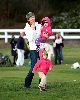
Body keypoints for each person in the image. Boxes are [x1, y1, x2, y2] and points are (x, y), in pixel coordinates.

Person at [24, 12, 41, 88]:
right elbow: (30, 39)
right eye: (31, 17)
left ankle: (42, 84)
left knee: (42, 66)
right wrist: (32, 29)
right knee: (34, 66)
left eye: (33, 17)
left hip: (41, 48)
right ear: (28, 19)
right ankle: (27, 84)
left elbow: (41, 35)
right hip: (33, 49)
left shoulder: (39, 25)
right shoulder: (26, 28)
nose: (33, 18)